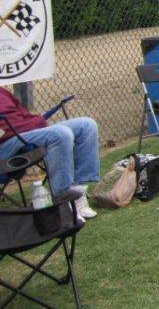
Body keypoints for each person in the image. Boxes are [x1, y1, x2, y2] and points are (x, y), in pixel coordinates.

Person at [0, 87, 100, 220]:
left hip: (27, 133)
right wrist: (30, 124)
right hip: (6, 144)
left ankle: (77, 195)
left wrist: (33, 122)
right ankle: (63, 202)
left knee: (87, 125)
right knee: (60, 135)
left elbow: (23, 115)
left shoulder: (2, 92)